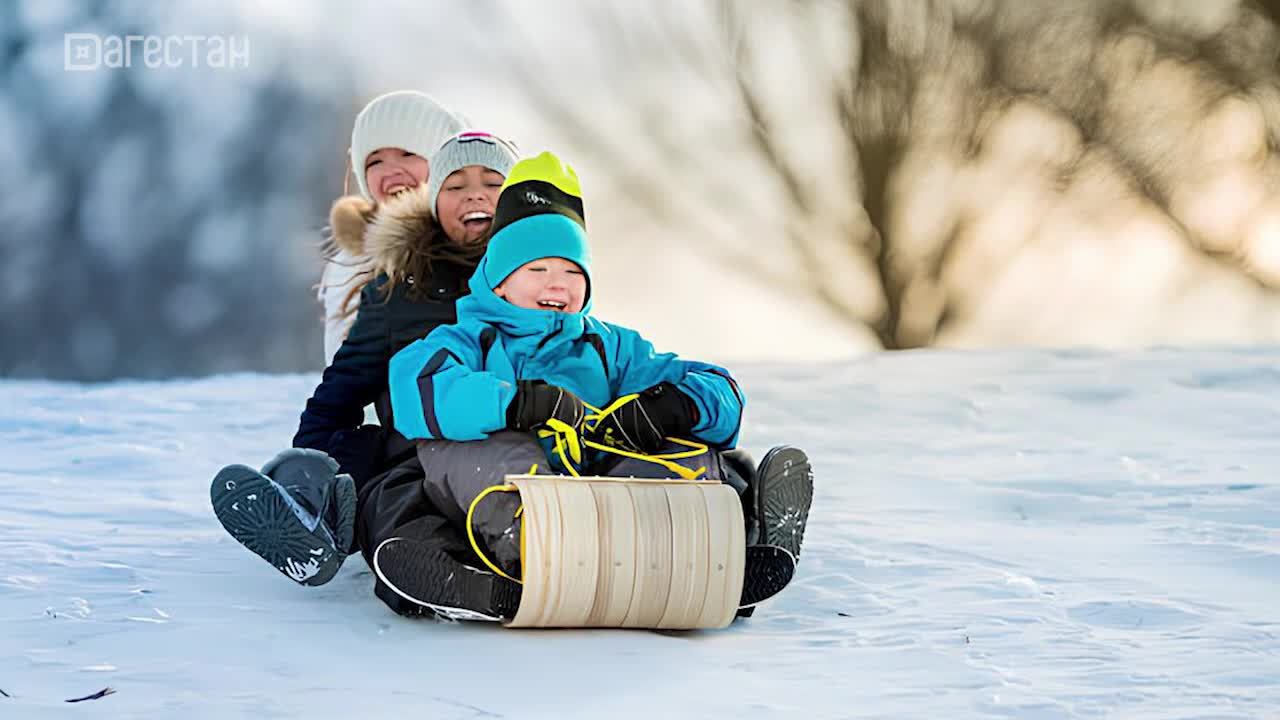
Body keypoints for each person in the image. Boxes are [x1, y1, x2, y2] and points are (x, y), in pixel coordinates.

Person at [370, 152, 816, 621]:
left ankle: (708, 557)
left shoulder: (609, 346)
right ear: (499, 283)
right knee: (472, 449)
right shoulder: (466, 339)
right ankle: (497, 575)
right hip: (519, 512)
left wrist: (674, 408)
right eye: (537, 270)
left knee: (694, 454)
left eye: (571, 272)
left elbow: (719, 388)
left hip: (610, 504)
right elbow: (415, 387)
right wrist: (515, 403)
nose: (557, 285)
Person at [211, 132, 521, 593]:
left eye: (492, 182)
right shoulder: (398, 288)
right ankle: (320, 517)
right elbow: (344, 386)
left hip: (515, 441)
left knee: (480, 491)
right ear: (434, 202)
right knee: (380, 485)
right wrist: (310, 464)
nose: (474, 193)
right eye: (455, 185)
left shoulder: (544, 278)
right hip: (414, 450)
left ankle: (485, 571)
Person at [320, 90, 467, 365]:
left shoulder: (472, 248)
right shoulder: (351, 261)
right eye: (375, 161)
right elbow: (343, 367)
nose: (391, 170)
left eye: (408, 153)